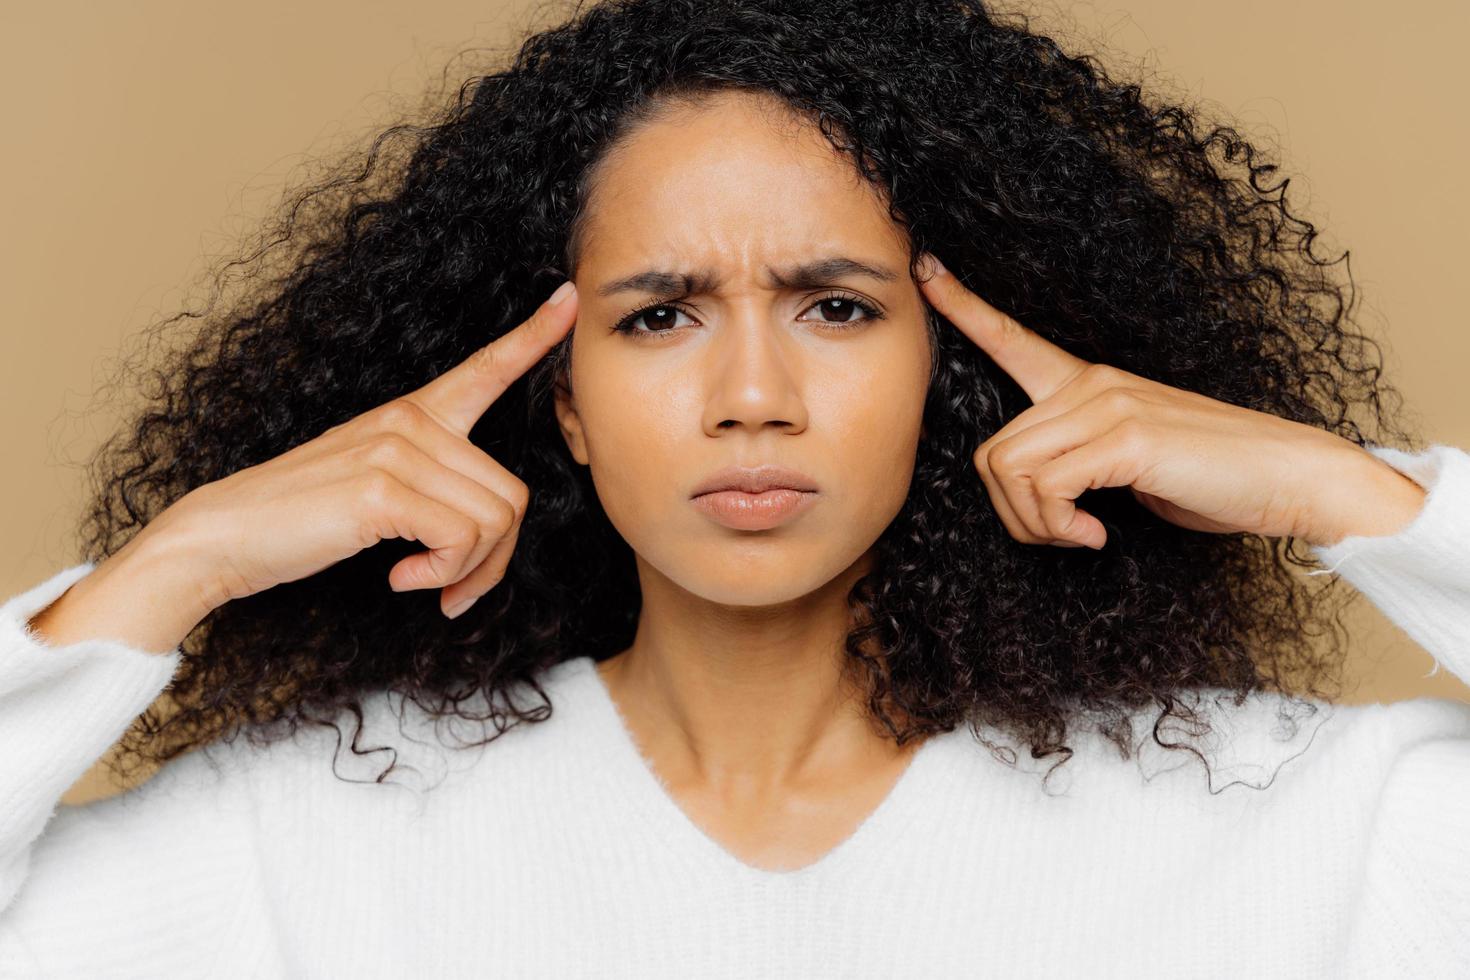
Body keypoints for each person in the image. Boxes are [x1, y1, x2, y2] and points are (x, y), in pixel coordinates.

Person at [2, 0, 1466, 976]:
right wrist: (169, 572)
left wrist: (1349, 498)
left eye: (835, 307)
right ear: (560, 404)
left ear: (948, 373)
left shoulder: (1300, 822)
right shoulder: (301, 844)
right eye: (656, 317)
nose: (751, 396)